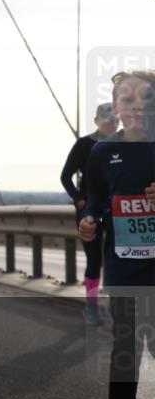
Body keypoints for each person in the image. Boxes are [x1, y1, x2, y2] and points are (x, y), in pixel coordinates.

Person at [78, 70, 155, 399]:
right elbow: (96, 200)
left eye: (146, 98)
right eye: (127, 99)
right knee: (125, 355)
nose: (137, 105)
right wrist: (89, 220)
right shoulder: (103, 152)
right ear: (116, 107)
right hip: (125, 268)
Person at [62, 102, 120, 324]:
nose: (111, 125)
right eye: (106, 121)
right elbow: (65, 175)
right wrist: (78, 199)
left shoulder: (125, 144)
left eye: (114, 121)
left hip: (118, 209)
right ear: (96, 121)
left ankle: (119, 310)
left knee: (118, 260)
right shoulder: (84, 145)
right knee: (95, 260)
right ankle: (92, 308)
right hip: (90, 210)